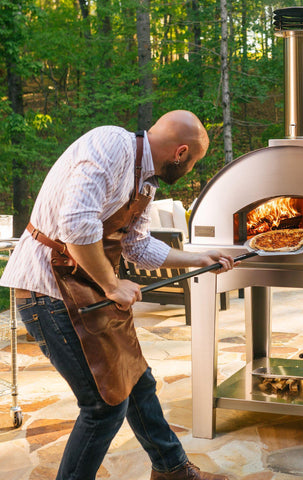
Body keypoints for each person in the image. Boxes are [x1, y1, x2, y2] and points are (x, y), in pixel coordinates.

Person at [0, 110, 235, 480]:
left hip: (87, 290)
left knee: (137, 380)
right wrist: (112, 285)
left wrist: (196, 259)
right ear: (181, 152)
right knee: (102, 407)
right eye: (193, 163)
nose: (190, 170)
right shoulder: (112, 145)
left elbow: (137, 247)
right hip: (48, 293)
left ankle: (172, 469)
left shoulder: (146, 182)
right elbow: (76, 226)